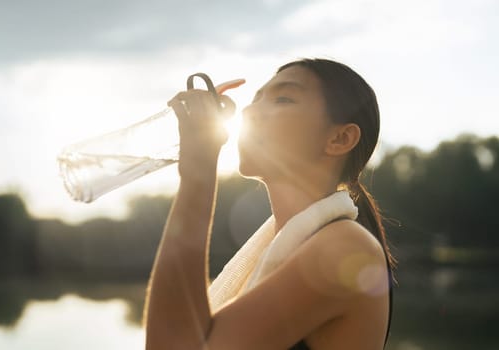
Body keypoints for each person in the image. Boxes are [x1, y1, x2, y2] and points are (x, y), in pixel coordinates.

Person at [143, 58, 395, 349]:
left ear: (340, 138)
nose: (249, 110)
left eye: (283, 98)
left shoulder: (343, 249)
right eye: (254, 99)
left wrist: (198, 171)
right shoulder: (296, 244)